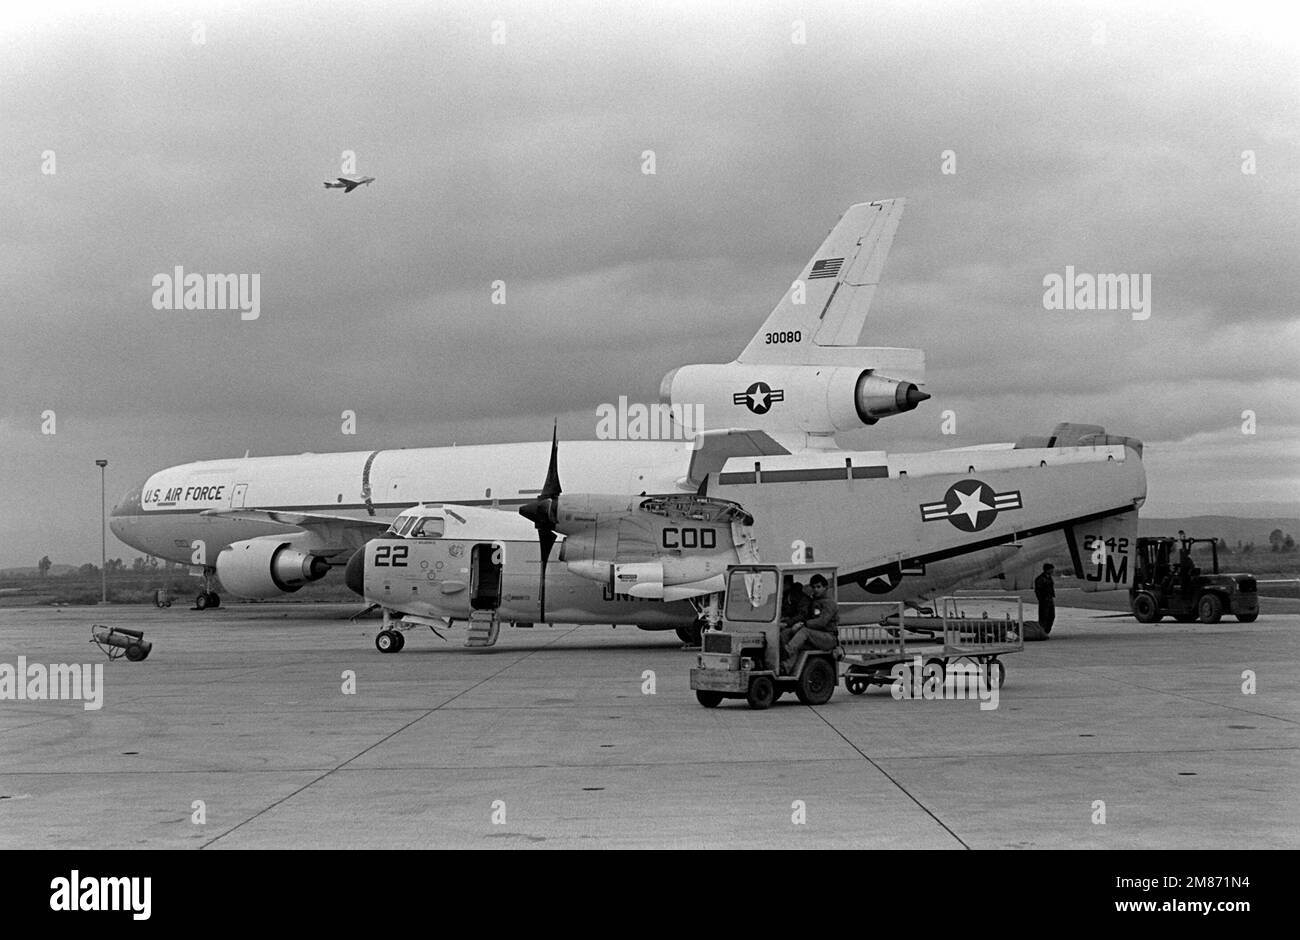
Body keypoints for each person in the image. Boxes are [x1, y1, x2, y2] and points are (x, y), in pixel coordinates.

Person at [781, 574, 838, 673]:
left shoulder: (829, 603)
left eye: (819, 587)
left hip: (828, 637)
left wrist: (804, 624)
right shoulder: (814, 601)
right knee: (790, 635)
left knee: (804, 632)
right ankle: (785, 668)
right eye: (814, 587)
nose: (816, 589)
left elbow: (822, 622)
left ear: (825, 587)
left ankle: (786, 651)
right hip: (816, 635)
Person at [1034, 563, 1056, 635]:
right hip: (1044, 600)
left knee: (1051, 616)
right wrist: (1041, 599)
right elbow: (1038, 591)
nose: (1053, 571)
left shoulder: (1049, 577)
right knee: (1044, 617)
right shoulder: (1040, 579)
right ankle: (1042, 632)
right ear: (1047, 570)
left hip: (1049, 599)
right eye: (1051, 569)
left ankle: (1046, 631)